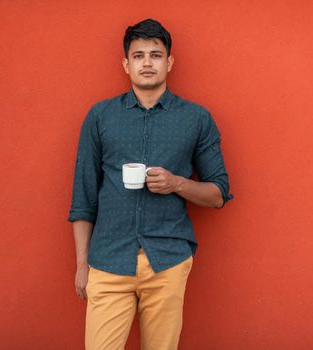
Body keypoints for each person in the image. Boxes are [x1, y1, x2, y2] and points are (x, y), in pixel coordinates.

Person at [67, 18, 233, 350]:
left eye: (155, 55)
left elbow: (218, 193)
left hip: (167, 259)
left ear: (169, 62)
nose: (147, 63)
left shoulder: (196, 118)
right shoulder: (100, 116)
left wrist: (177, 184)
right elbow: (83, 197)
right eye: (139, 55)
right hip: (108, 260)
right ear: (125, 63)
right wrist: (82, 265)